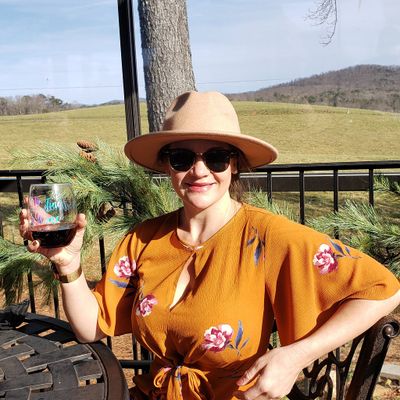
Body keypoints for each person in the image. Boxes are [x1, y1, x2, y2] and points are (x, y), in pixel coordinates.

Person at [20, 91, 400, 400]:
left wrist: (296, 355)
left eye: (216, 157)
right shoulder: (144, 238)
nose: (199, 170)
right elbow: (91, 327)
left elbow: (384, 290)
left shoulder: (268, 236)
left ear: (234, 165)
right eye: (182, 157)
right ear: (167, 166)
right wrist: (67, 263)